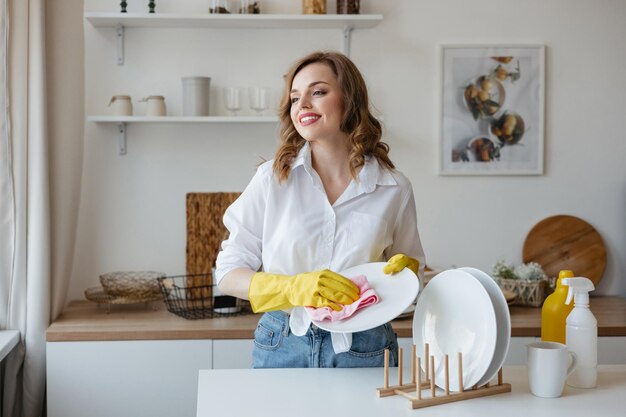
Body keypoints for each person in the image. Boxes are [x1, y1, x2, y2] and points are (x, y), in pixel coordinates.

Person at [215, 51, 425, 368]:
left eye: (318, 92)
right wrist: (292, 287)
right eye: (295, 97)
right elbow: (228, 273)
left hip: (365, 347)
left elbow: (415, 274)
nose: (302, 105)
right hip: (282, 343)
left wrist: (406, 274)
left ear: (349, 100)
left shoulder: (393, 188)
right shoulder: (271, 180)